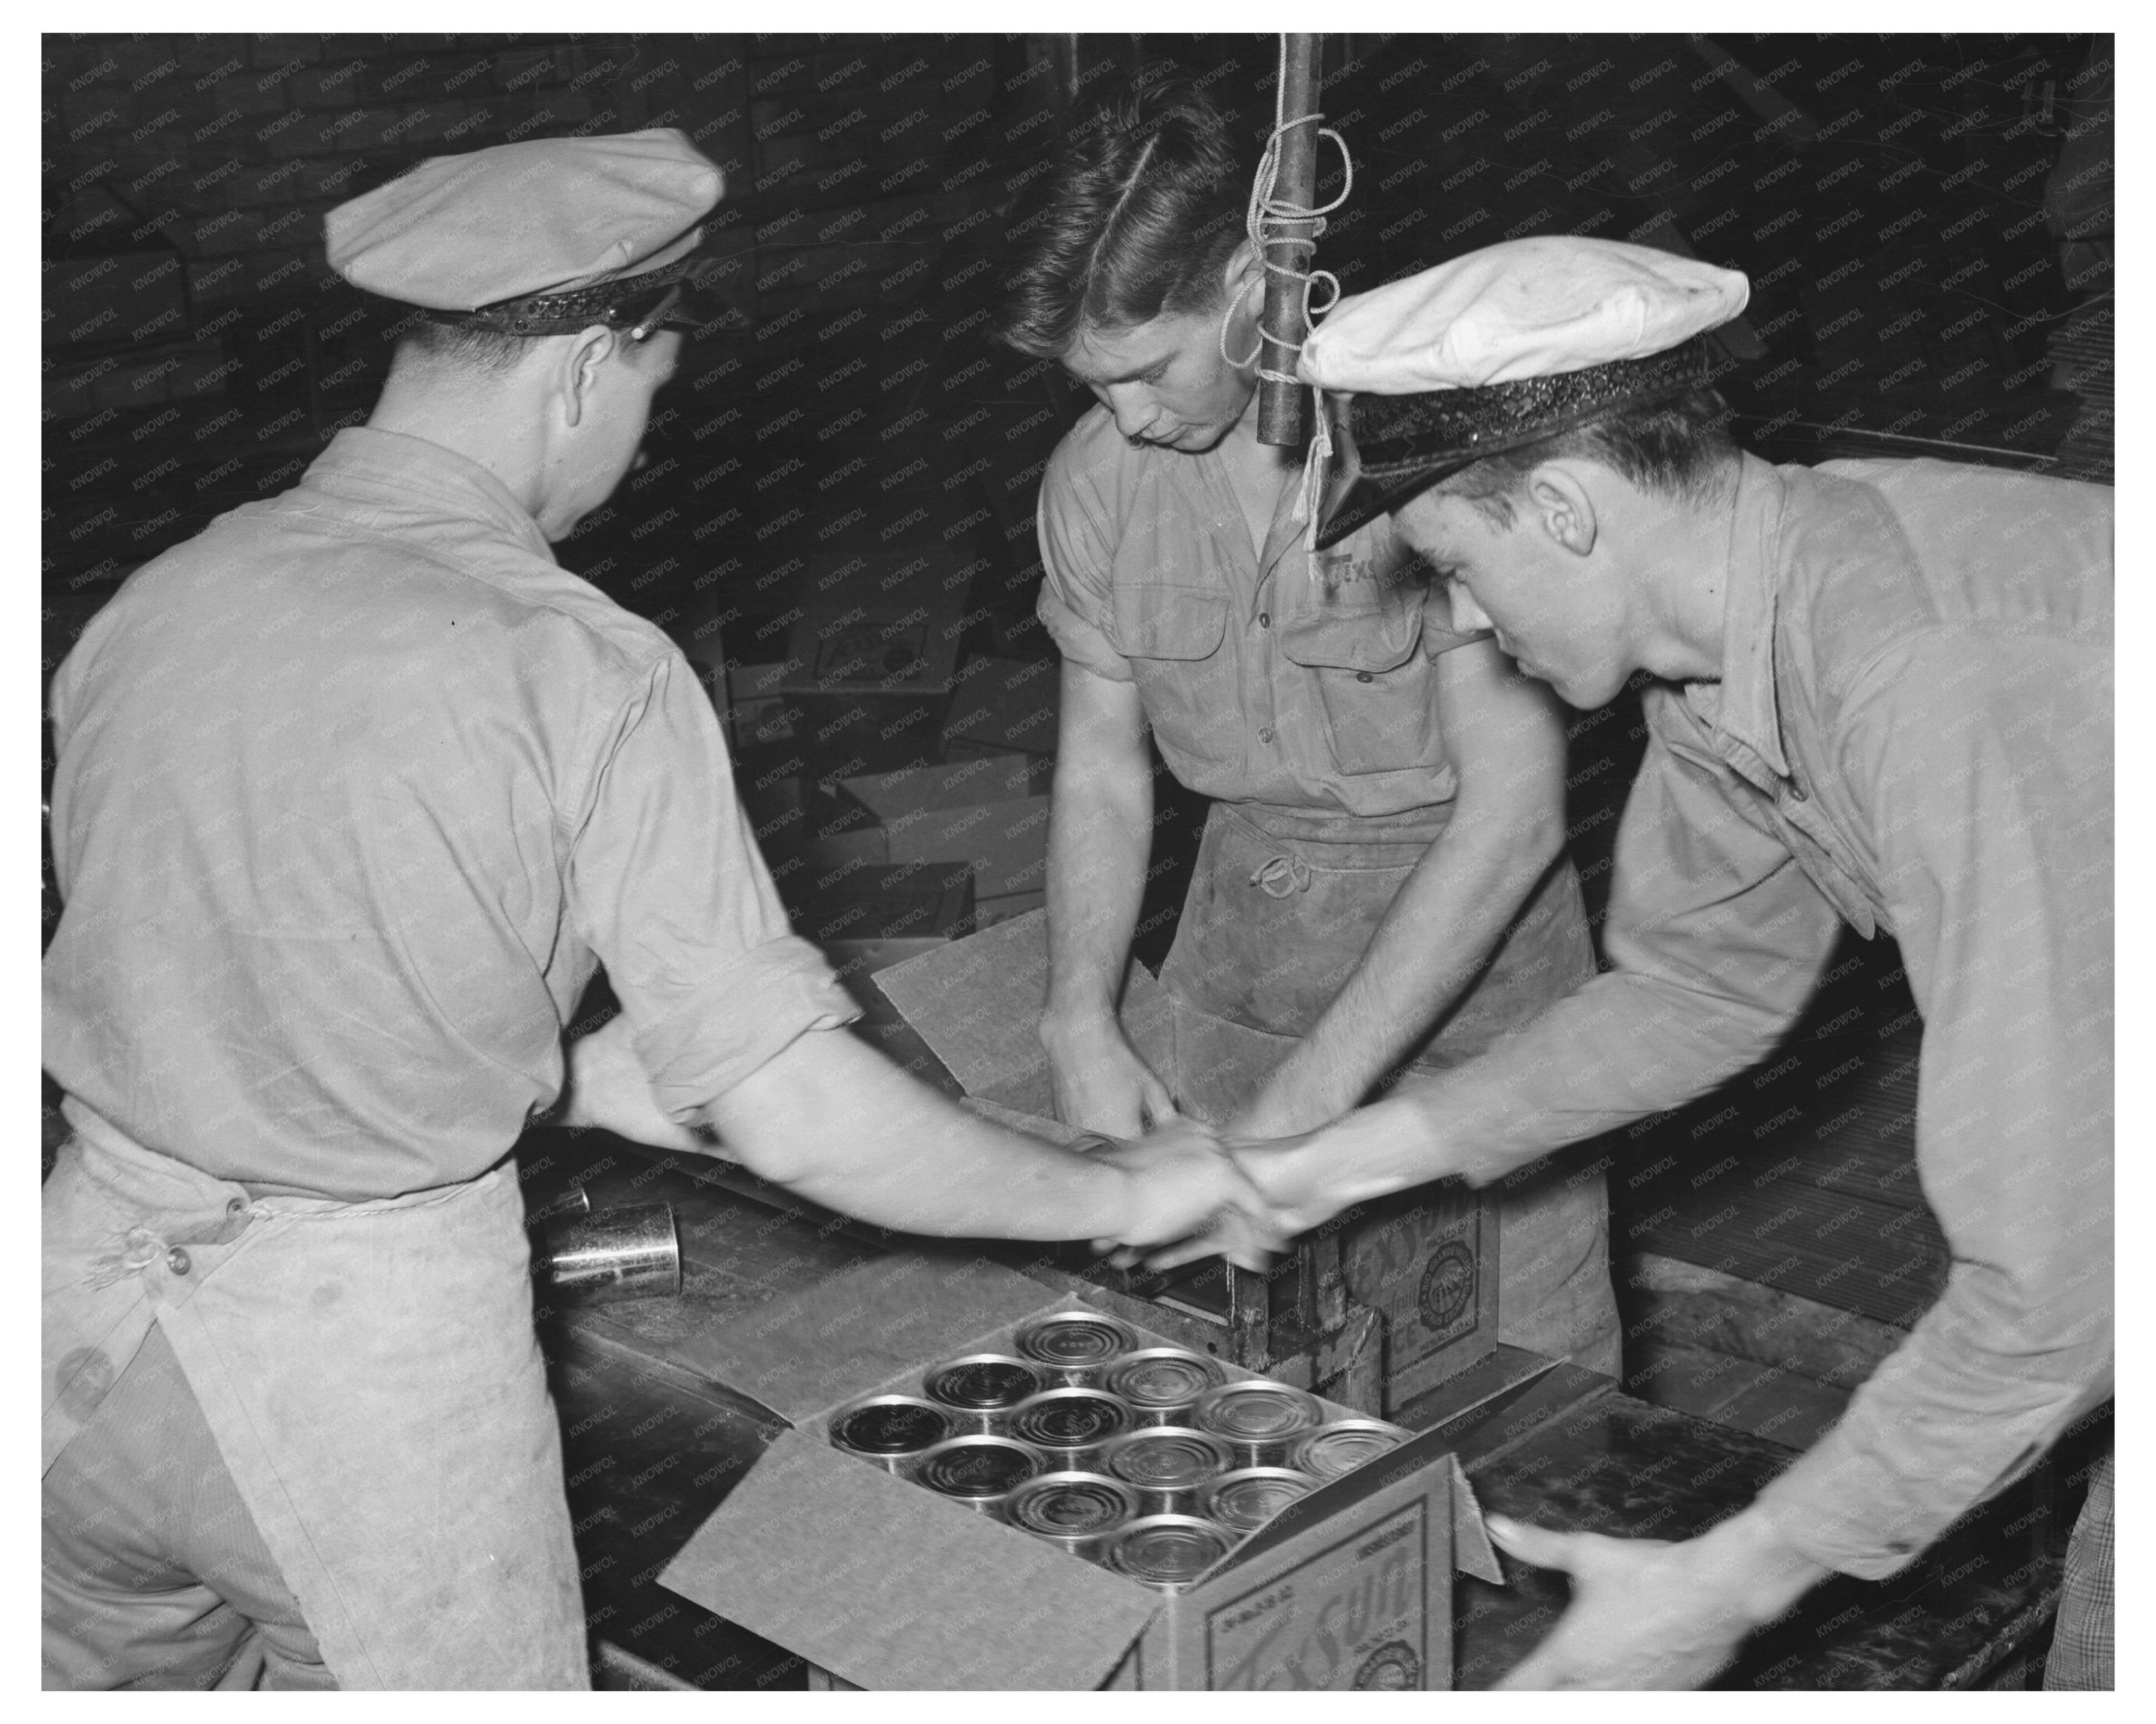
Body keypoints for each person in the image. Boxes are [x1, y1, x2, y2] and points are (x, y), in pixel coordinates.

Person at [41, 129, 1263, 1692]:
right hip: (345, 1383)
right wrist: (1120, 1194)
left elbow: (225, 957)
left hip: (71, 1341)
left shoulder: (159, 601)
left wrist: (554, 1071)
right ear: (583, 370)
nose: (634, 438)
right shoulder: (580, 665)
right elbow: (805, 1119)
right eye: (649, 390)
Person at [1225, 233, 2114, 1688]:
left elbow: (2063, 1287)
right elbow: (1697, 987)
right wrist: (1332, 1163)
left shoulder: (1926, 674)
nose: (1457, 617)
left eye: (1454, 562)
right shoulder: (1736, 640)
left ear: (1565, 510)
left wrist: (1732, 1579)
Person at [994, 84, 1618, 1382]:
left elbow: (1514, 819)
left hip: (1481, 967)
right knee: (1257, 1395)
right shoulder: (1096, 486)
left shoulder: (1417, 448)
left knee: (1521, 1380)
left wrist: (1308, 1116)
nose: (1130, 419)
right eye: (1091, 388)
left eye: (1150, 371)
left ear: (1249, 284)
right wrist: (1078, 1015)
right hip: (1247, 952)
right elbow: (1103, 770)